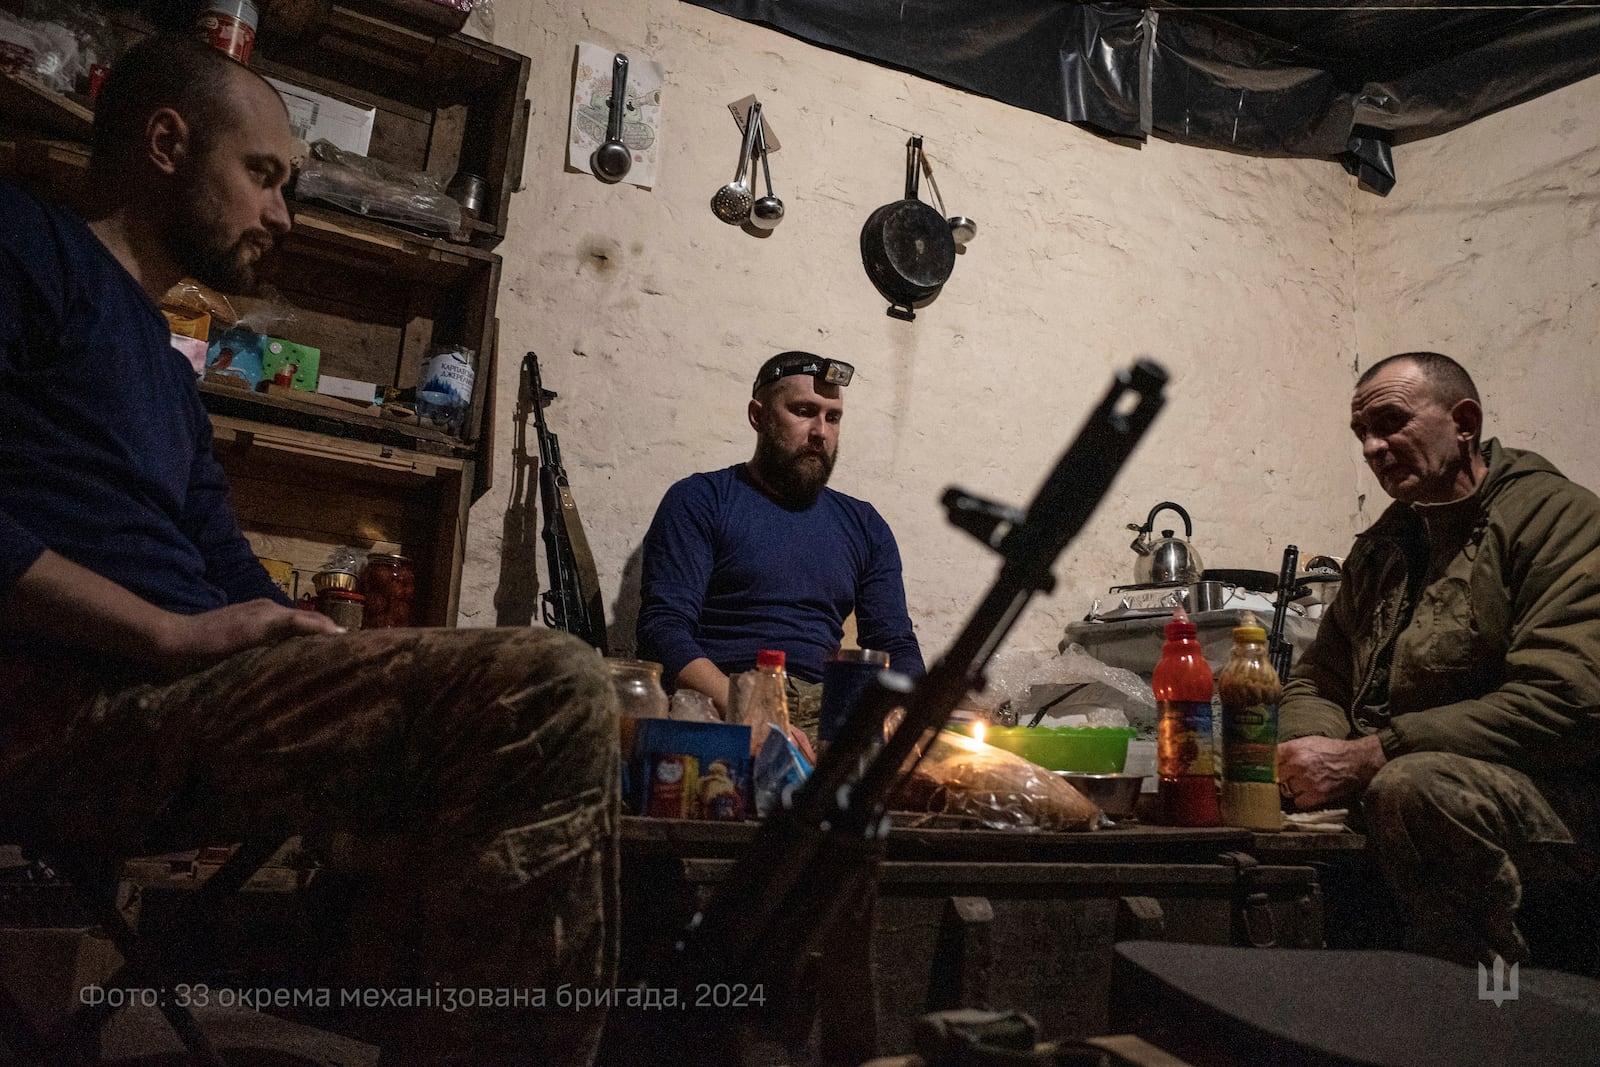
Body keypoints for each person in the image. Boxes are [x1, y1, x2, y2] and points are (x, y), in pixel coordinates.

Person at [0, 35, 617, 1066]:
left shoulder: (161, 365)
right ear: (165, 142)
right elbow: (182, 610)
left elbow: (226, 568)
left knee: (503, 694)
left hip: (168, 704)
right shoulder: (25, 245)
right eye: (264, 176)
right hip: (61, 709)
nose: (284, 214)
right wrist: (167, 631)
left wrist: (311, 643)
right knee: (540, 684)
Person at [1278, 351, 1600, 968]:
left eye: (1391, 422)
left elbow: (1566, 698)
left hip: (1559, 794)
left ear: (1465, 422)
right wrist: (1308, 752)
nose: (1373, 447)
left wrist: (1373, 754)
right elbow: (1320, 676)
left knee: (1416, 786)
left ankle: (1486, 1008)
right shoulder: (1388, 543)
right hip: (1406, 783)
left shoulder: (1556, 520)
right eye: (1362, 434)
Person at [636, 352, 925, 730]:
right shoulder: (701, 499)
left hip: (827, 710)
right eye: (804, 411)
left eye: (832, 417)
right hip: (723, 704)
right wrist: (751, 713)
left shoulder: (865, 524)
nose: (821, 431)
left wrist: (908, 719)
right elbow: (662, 632)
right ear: (758, 416)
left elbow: (896, 645)